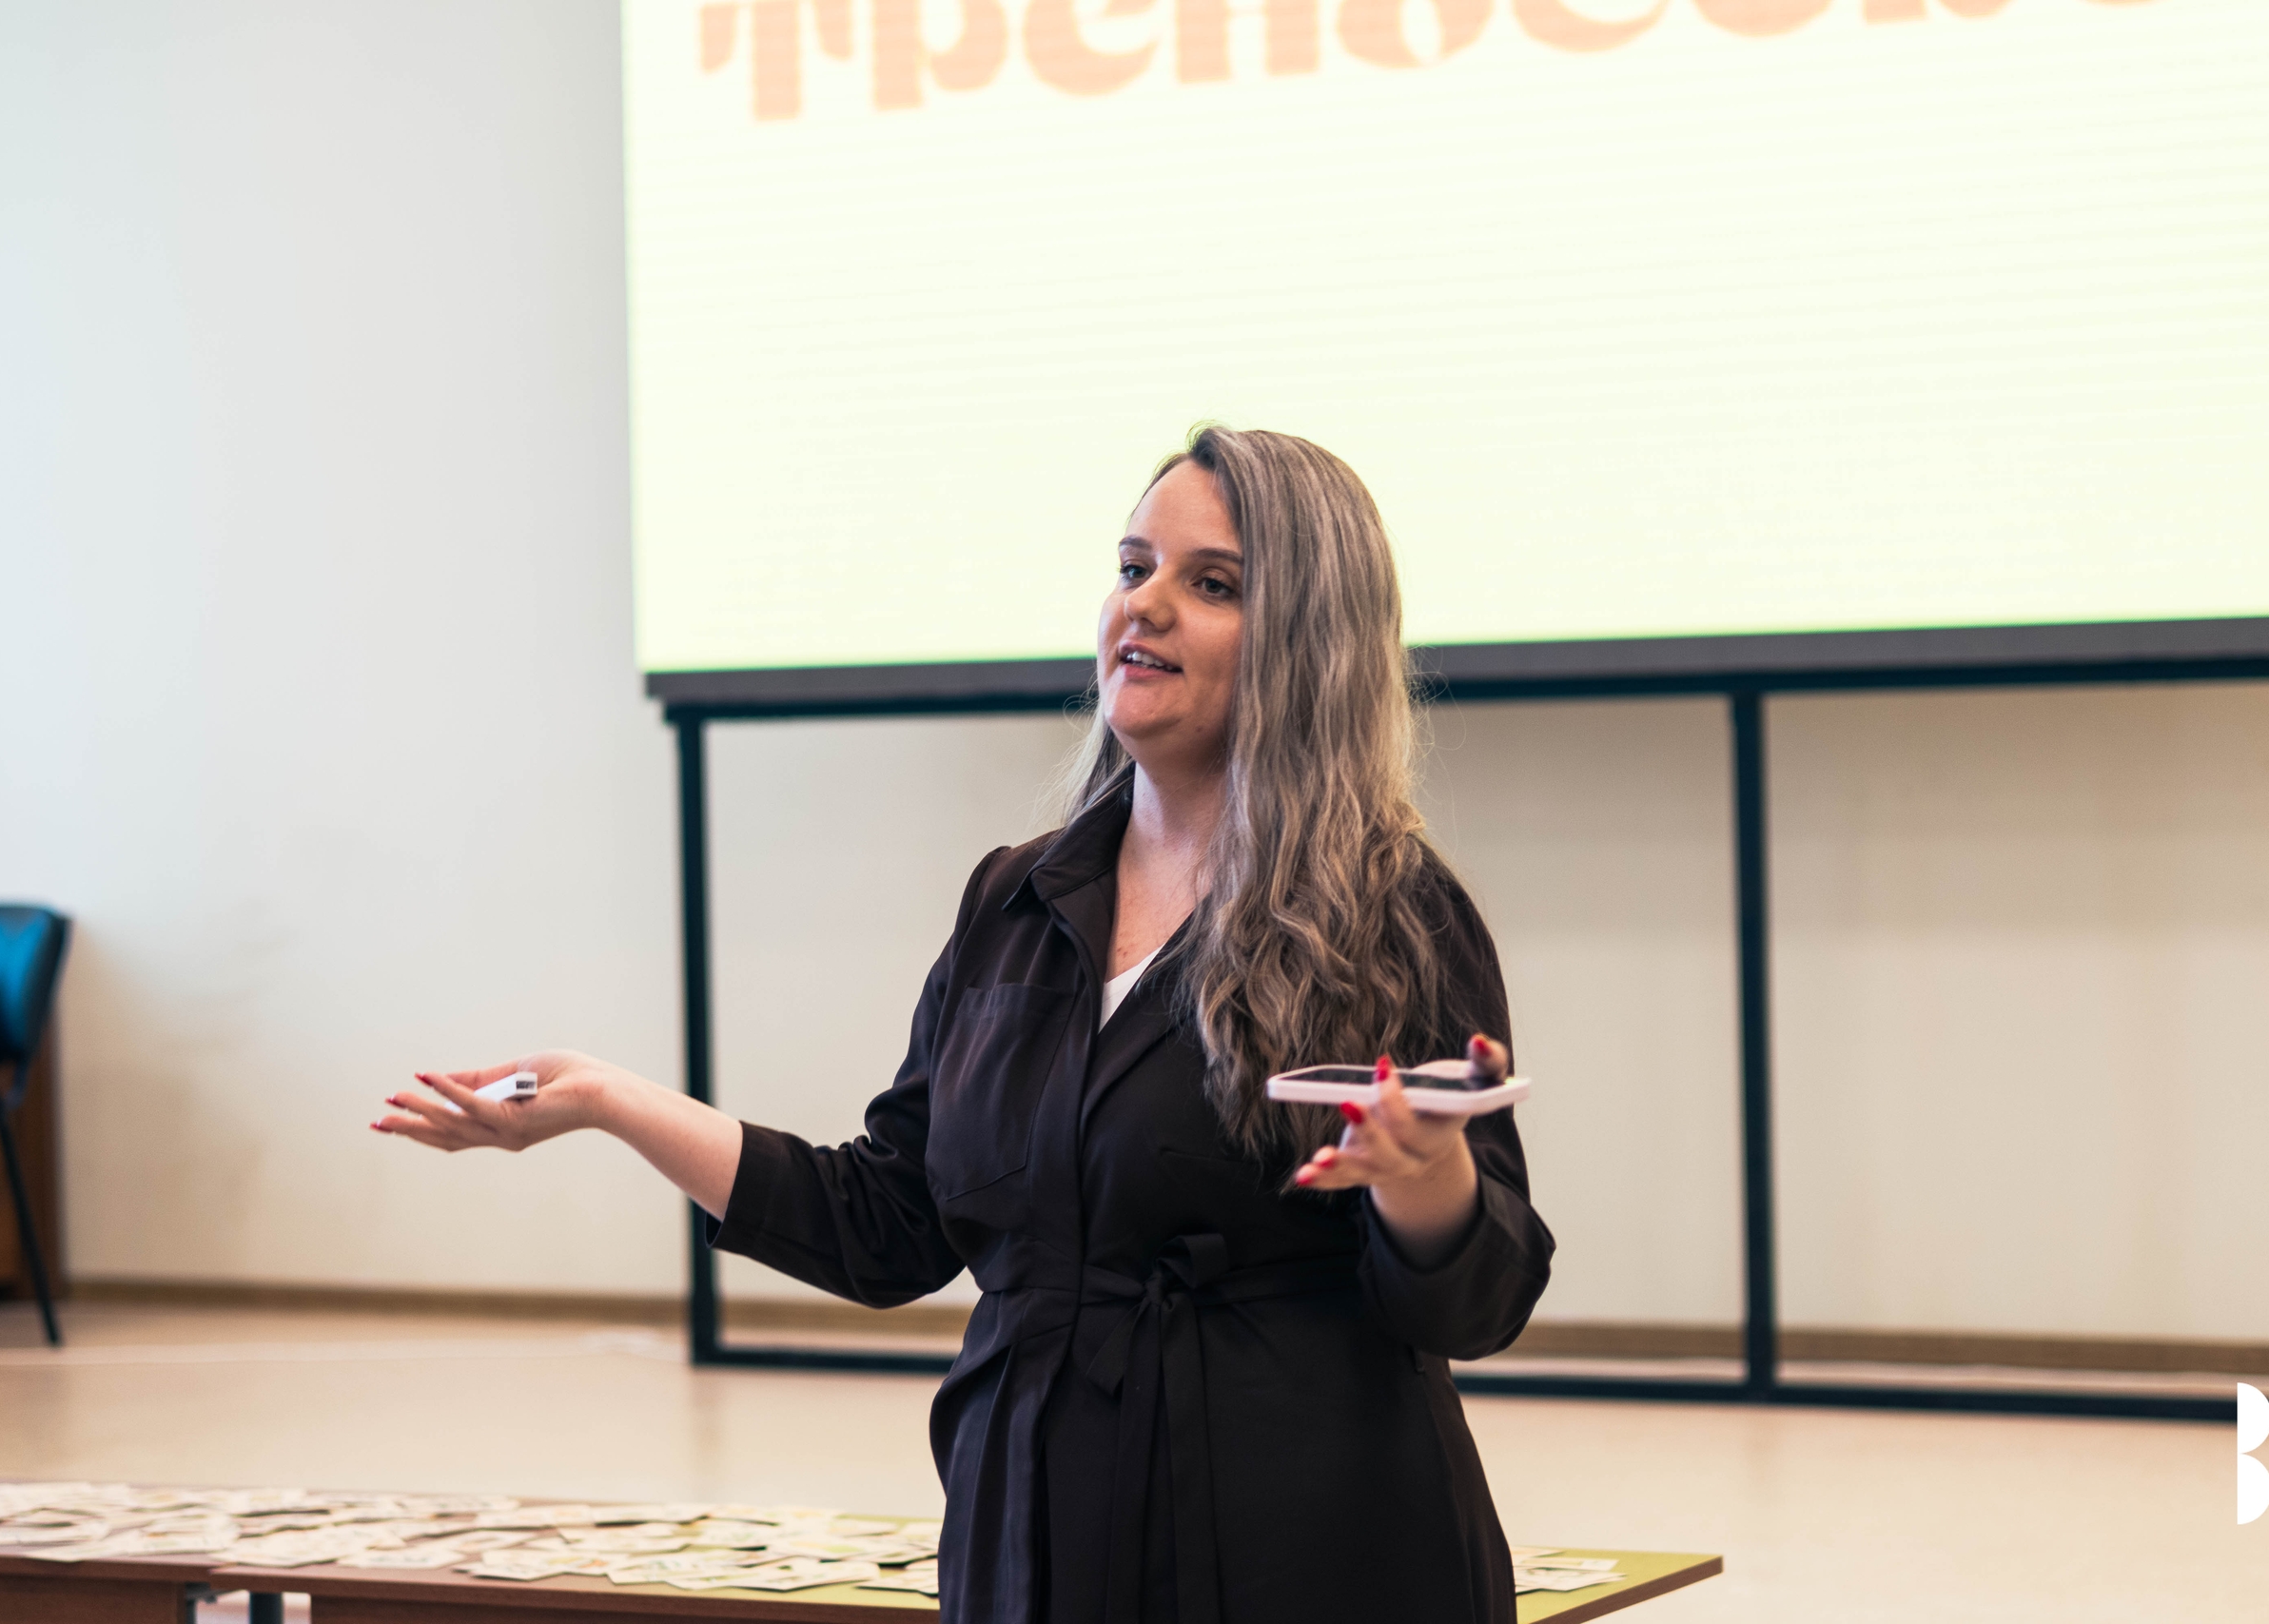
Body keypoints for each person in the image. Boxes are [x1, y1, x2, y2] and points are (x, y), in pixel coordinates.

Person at [375, 425, 1555, 1624]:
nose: (1144, 605)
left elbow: (1479, 1303)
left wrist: (1424, 1180)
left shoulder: (1391, 909)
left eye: (1212, 584)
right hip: (1030, 1538)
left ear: (1309, 640)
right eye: (1133, 566)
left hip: (1305, 1556)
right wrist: (608, 1101)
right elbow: (888, 1226)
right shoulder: (1013, 900)